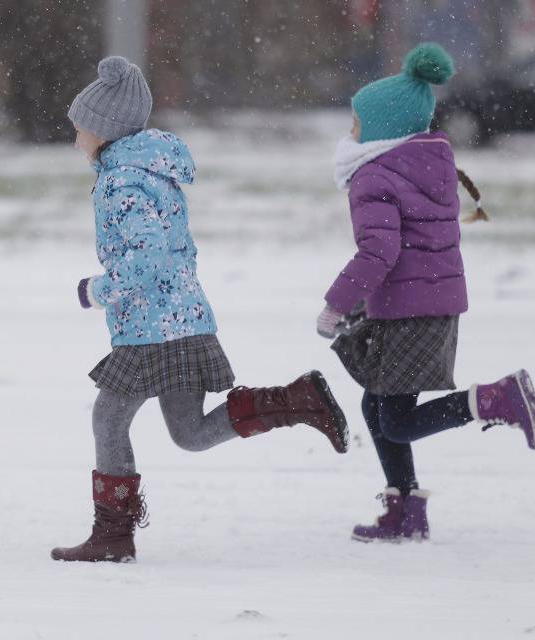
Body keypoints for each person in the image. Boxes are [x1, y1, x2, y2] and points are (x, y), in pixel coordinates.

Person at [51, 56, 349, 564]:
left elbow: (146, 257)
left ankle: (113, 536)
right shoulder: (150, 173)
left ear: (103, 131)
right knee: (189, 433)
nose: (76, 138)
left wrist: (97, 290)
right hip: (183, 319)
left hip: (152, 329)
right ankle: (296, 400)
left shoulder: (122, 183)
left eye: (80, 129)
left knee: (108, 418)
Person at [318, 43, 535, 543]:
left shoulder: (374, 175)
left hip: (410, 309)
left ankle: (494, 399)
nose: (350, 133)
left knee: (397, 421)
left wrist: (337, 304)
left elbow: (378, 252)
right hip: (428, 303)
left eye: (357, 124)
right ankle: (405, 508)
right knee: (377, 407)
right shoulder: (426, 163)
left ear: (382, 129)